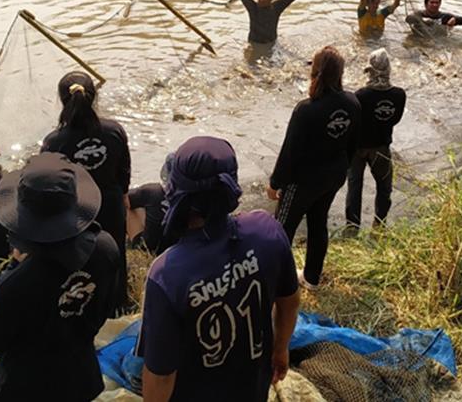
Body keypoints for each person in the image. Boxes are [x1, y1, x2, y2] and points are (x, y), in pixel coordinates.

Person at [138, 136, 300, 402]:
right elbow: (290, 302)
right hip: (252, 389)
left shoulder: (167, 274)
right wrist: (281, 349)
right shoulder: (267, 231)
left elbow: (161, 375)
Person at [0, 153, 120, 402]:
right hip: (80, 376)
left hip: (25, 386)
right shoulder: (106, 248)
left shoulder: (19, 283)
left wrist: (13, 267)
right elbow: (105, 307)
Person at [269, 46, 360, 289]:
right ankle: (311, 278)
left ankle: (276, 283)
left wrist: (275, 183)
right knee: (318, 223)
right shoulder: (352, 102)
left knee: (281, 229)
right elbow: (353, 143)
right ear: (340, 73)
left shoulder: (306, 109)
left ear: (315, 72)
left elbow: (290, 152)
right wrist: (343, 168)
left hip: (303, 181)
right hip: (333, 176)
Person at [42, 72, 132, 314]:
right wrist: (123, 194)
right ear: (94, 98)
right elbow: (124, 170)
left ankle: (82, 307)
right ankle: (118, 305)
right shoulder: (114, 131)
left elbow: (47, 182)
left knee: (77, 260)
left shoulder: (54, 141)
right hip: (110, 204)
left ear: (63, 101)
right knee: (116, 254)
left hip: (76, 209)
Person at [346, 49, 406, 230]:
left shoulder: (359, 95)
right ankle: (379, 223)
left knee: (354, 187)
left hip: (357, 148)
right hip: (381, 146)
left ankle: (352, 226)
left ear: (369, 69)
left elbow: (353, 124)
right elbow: (395, 119)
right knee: (384, 186)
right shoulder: (399, 95)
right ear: (388, 69)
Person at [240, 0, 309, 45]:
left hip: (270, 42)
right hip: (254, 42)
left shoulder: (277, 7)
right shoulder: (253, 7)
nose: (261, 0)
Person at [127, 154, 171, 255]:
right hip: (177, 248)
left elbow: (124, 199)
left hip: (149, 248)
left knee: (130, 206)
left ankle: (135, 243)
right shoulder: (190, 197)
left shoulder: (152, 190)